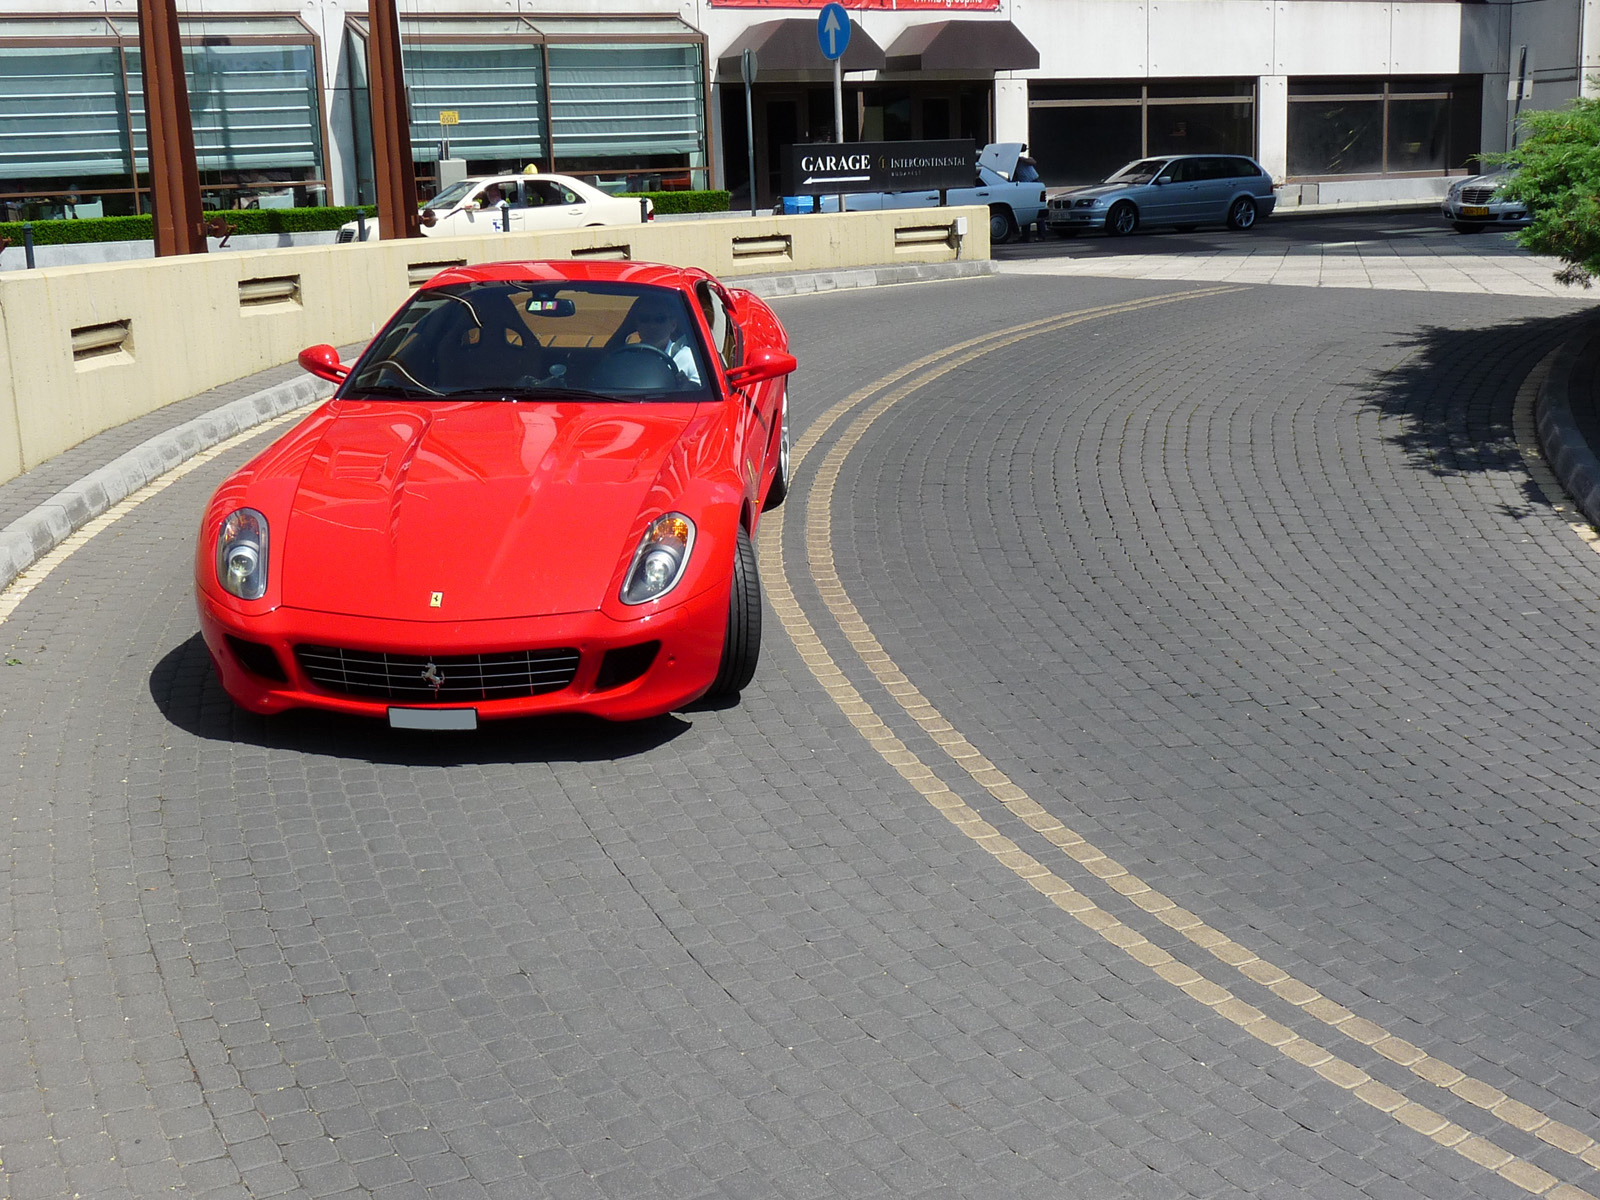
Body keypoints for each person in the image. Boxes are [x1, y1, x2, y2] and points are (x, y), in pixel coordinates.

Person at [629, 297, 701, 385]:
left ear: (673, 325)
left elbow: (704, 394)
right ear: (637, 325)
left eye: (660, 319)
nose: (652, 325)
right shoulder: (626, 359)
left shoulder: (688, 358)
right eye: (645, 319)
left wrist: (687, 387)